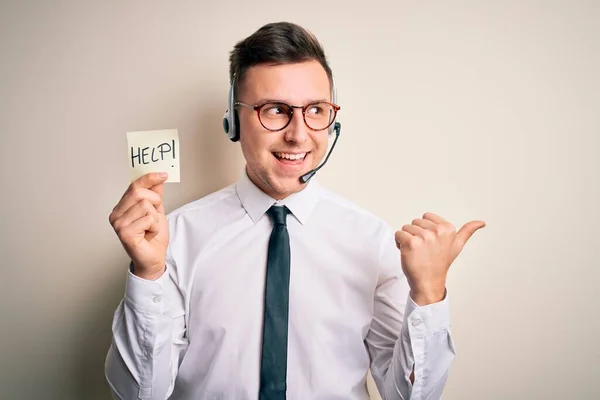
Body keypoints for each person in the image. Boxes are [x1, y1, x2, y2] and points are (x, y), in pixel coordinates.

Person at [105, 21, 485, 400]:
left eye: (316, 110)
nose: (299, 134)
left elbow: (409, 397)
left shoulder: (374, 242)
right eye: (275, 110)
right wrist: (148, 275)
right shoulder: (176, 238)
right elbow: (141, 395)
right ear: (234, 121)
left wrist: (429, 294)